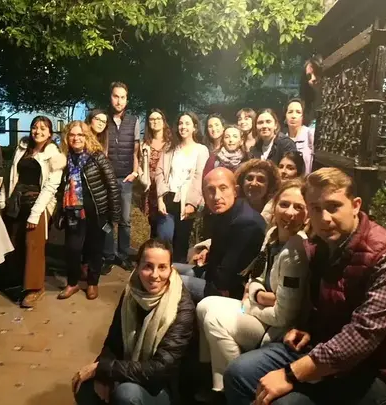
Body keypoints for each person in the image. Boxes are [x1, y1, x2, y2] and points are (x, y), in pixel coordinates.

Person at [223, 168, 386, 405]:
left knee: (285, 403)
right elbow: (320, 303)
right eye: (316, 208)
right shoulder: (320, 245)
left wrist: (290, 375)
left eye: (333, 206)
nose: (325, 218)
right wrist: (305, 327)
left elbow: (362, 336)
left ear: (356, 205)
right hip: (324, 348)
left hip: (376, 369)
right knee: (238, 373)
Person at [195, 179, 311, 402]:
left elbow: (283, 316)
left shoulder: (296, 253)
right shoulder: (273, 235)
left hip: (272, 327)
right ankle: (211, 375)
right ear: (274, 206)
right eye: (284, 204)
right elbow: (255, 276)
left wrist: (250, 304)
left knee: (215, 320)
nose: (290, 213)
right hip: (258, 307)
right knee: (205, 305)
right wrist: (259, 295)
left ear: (307, 215)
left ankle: (227, 389)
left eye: (298, 207)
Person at [72, 239, 195, 405]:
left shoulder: (181, 307)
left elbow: (160, 369)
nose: (155, 275)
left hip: (162, 386)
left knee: (127, 394)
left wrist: (104, 368)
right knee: (84, 385)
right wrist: (102, 374)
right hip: (130, 369)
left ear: (171, 269)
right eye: (148, 266)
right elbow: (113, 341)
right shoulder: (132, 292)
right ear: (137, 267)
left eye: (162, 267)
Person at [0, 116, 66, 308]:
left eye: (43, 128)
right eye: (35, 127)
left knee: (33, 245)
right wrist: (4, 200)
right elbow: (11, 175)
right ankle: (19, 282)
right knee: (16, 242)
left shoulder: (54, 155)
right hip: (17, 201)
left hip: (39, 203)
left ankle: (35, 288)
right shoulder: (22, 148)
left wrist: (35, 213)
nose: (38, 131)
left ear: (50, 133)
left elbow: (51, 187)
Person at [178, 168, 266, 303]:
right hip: (213, 274)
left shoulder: (246, 223)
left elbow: (226, 276)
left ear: (235, 191)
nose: (217, 196)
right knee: (168, 269)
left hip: (230, 291)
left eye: (223, 188)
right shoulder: (226, 212)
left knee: (165, 281)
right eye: (210, 190)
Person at [56, 121, 121, 300]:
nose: (76, 138)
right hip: (73, 213)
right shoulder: (65, 159)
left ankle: (92, 283)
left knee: (95, 249)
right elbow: (60, 188)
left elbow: (112, 186)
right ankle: (72, 283)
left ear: (87, 137)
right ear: (67, 138)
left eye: (80, 135)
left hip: (96, 212)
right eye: (72, 135)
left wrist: (114, 215)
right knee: (72, 249)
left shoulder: (97, 157)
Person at [155, 112, 209, 263]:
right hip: (168, 196)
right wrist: (160, 198)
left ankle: (178, 272)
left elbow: (200, 176)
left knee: (181, 241)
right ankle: (161, 267)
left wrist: (192, 202)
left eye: (187, 123)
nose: (183, 127)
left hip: (187, 200)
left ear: (194, 127)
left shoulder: (201, 150)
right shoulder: (170, 148)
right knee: (164, 237)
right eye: (180, 123)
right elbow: (159, 172)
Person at [104, 82, 139, 273]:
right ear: (111, 97)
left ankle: (123, 255)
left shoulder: (133, 121)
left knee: (125, 220)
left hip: (126, 178)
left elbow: (136, 151)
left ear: (127, 99)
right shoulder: (103, 119)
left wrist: (135, 172)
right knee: (108, 219)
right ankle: (108, 256)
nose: (119, 101)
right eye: (115, 96)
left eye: (122, 97)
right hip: (107, 178)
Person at [138, 109, 172, 238]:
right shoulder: (144, 145)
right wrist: (141, 177)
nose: (155, 121)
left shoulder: (171, 144)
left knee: (166, 224)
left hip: (165, 188)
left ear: (163, 122)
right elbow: (138, 164)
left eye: (158, 119)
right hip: (150, 189)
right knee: (153, 224)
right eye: (152, 119)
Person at [235, 159, 281, 224]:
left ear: (269, 186)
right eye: (250, 178)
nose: (254, 184)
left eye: (261, 180)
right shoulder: (232, 210)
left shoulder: (276, 214)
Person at [284, 98, 314, 173]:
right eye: (290, 112)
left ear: (303, 116)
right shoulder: (283, 140)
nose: (293, 116)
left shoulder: (310, 134)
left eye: (298, 112)